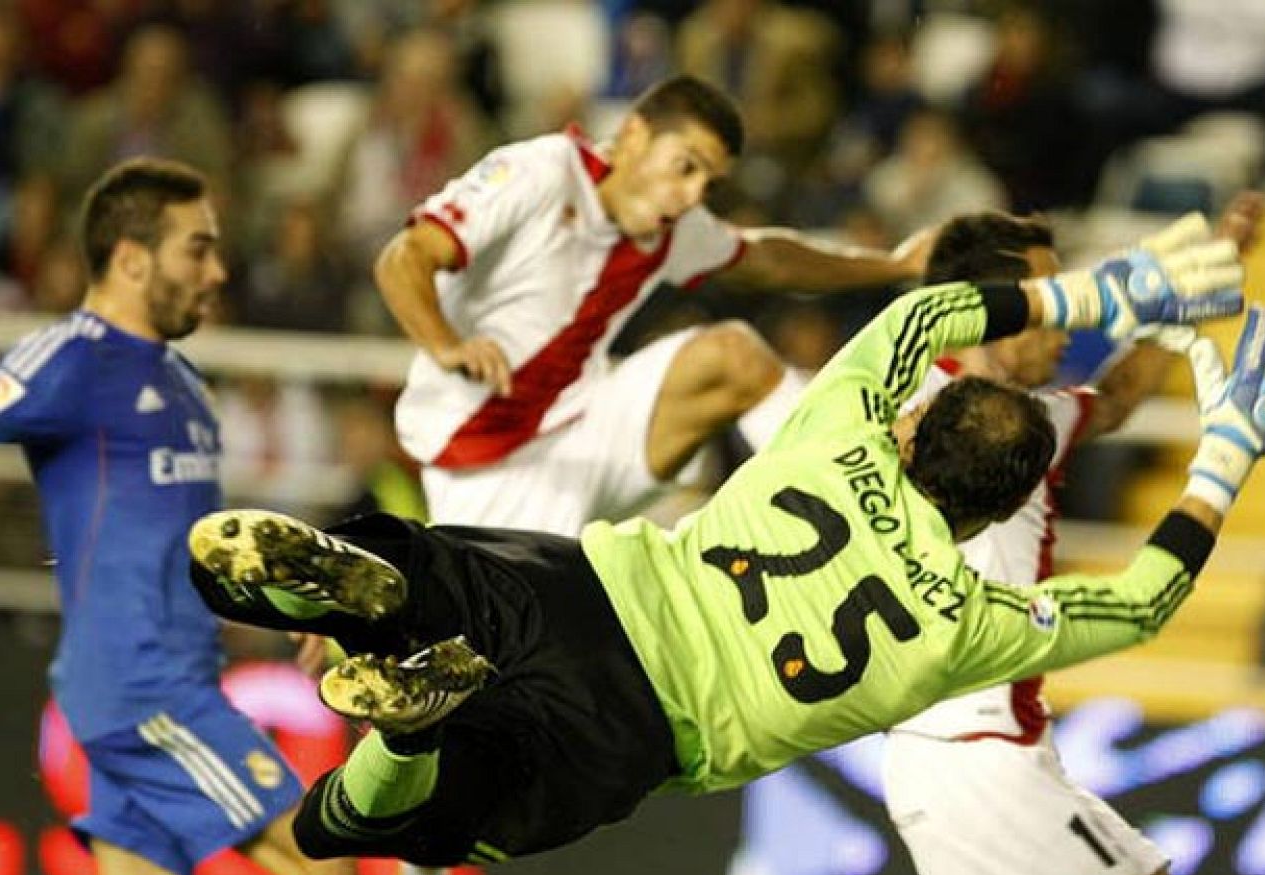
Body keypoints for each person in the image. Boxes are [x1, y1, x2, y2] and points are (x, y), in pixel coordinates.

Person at [186, 234, 1265, 870]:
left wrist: (1098, 288)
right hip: (638, 727)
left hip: (587, 587)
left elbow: (918, 321)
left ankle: (376, 592)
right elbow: (1138, 606)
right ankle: (405, 721)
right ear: (996, 517)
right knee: (361, 822)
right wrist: (1225, 455)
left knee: (421, 563)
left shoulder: (836, 433)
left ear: (917, 423)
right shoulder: (963, 622)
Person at [880, 199, 1264, 875]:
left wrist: (1197, 288)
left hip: (1006, 745)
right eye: (1047, 302)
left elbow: (1114, 398)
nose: (1066, 325)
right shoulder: (910, 407)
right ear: (991, 310)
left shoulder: (1024, 415)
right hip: (964, 750)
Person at [378, 74, 935, 537]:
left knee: (733, 354)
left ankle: (853, 500)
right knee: (506, 657)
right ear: (634, 136)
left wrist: (897, 265)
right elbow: (405, 257)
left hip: (584, 427)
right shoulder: (541, 172)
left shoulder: (673, 227)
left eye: (709, 184)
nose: (693, 195)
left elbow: (769, 259)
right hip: (483, 461)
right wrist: (447, 344)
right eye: (686, 166)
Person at [0, 158, 341, 875]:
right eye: (197, 247)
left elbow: (202, 543)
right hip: (140, 689)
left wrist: (292, 605)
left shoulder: (184, 383)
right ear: (130, 258)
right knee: (319, 861)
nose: (217, 270)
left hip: (176, 678)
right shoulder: (71, 359)